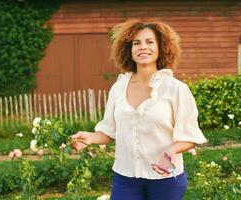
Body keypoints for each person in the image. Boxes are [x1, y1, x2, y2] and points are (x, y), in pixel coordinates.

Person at [71, 19, 207, 200]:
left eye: (150, 42)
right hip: (125, 178)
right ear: (129, 50)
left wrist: (172, 151)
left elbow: (189, 135)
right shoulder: (118, 88)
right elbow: (109, 131)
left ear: (161, 48)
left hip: (164, 179)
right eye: (137, 43)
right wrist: (91, 137)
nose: (143, 47)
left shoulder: (176, 89)